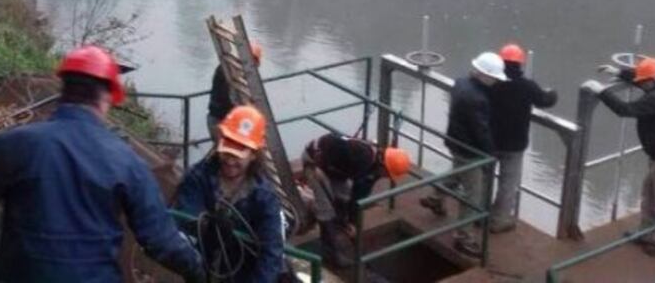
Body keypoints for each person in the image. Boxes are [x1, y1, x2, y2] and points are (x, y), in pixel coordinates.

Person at [0, 45, 204, 282]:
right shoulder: (128, 162)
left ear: (62, 90)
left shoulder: (18, 143)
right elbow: (160, 240)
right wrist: (197, 269)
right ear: (107, 96)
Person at [175, 104, 287, 282]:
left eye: (238, 154)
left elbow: (271, 253)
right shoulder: (198, 177)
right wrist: (206, 227)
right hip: (203, 268)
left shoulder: (264, 197)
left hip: (243, 274)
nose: (229, 160)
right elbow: (184, 219)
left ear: (253, 154)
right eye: (227, 151)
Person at [585, 56, 655, 257]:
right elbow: (644, 80)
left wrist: (602, 91)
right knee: (650, 193)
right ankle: (648, 233)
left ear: (654, 81)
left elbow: (625, 109)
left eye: (643, 82)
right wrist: (619, 73)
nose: (641, 85)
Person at [420, 51, 506, 258]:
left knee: (457, 171)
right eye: (494, 77)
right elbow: (481, 131)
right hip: (471, 150)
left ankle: (435, 196)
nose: (495, 81)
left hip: (455, 142)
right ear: (484, 75)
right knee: (472, 195)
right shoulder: (478, 100)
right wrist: (491, 153)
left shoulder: (461, 83)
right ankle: (463, 237)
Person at [301, 133, 412, 269]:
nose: (386, 177)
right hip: (316, 160)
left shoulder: (373, 171)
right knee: (326, 210)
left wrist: (351, 222)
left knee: (343, 198)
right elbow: (330, 142)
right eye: (388, 175)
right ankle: (331, 254)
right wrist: (321, 164)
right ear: (384, 166)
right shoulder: (360, 155)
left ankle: (337, 225)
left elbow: (357, 197)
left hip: (336, 169)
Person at [487, 43, 558, 233]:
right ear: (520, 64)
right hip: (515, 144)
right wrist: (552, 93)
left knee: (484, 178)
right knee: (508, 183)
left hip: (490, 140)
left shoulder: (492, 82)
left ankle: (479, 214)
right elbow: (545, 101)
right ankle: (499, 219)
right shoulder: (527, 86)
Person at [207, 42, 263, 142]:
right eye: (254, 62)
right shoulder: (228, 73)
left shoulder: (232, 71)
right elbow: (229, 99)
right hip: (220, 121)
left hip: (220, 120)